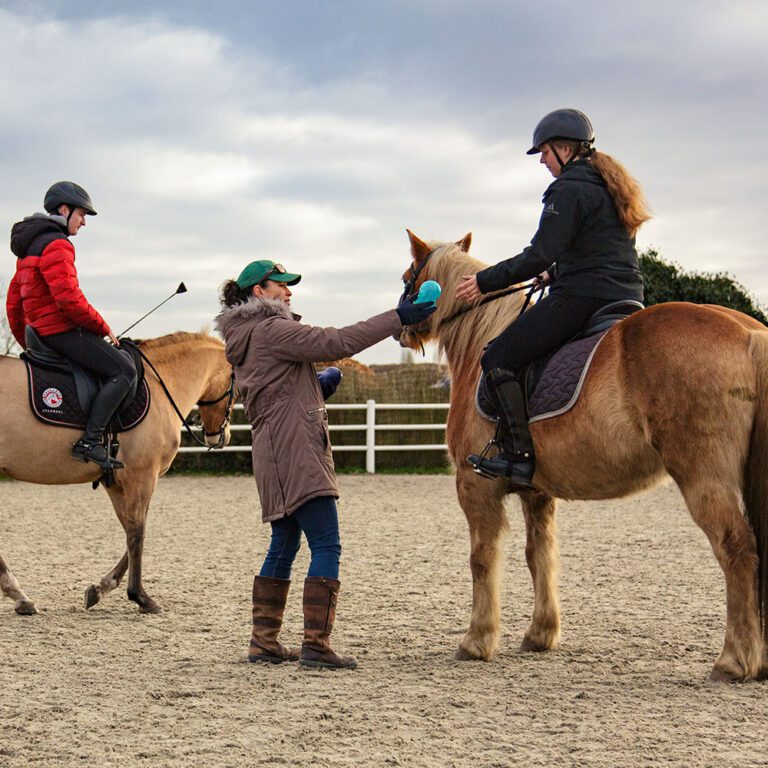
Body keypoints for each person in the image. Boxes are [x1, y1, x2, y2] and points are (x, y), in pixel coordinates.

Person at [215, 259, 435, 669]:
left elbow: (274, 394)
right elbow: (337, 340)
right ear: (258, 292)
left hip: (272, 451)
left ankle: (263, 641)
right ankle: (316, 644)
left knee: (283, 544)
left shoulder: (244, 337)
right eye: (279, 284)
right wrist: (397, 318)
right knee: (326, 544)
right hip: (298, 448)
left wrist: (315, 387)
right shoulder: (272, 328)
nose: (288, 290)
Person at [455, 108, 651, 486]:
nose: (543, 161)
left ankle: (519, 457)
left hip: (583, 298)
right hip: (627, 295)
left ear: (564, 148)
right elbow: (598, 250)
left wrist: (485, 281)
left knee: (498, 357)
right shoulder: (609, 186)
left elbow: (538, 254)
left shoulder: (568, 188)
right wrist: (556, 272)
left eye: (544, 152)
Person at [6, 181, 137, 469]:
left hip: (39, 333)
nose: (84, 222)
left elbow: (14, 304)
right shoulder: (58, 244)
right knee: (124, 369)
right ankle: (90, 442)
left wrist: (27, 342)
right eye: (82, 214)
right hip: (60, 332)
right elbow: (69, 299)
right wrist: (103, 327)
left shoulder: (28, 249)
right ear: (64, 210)